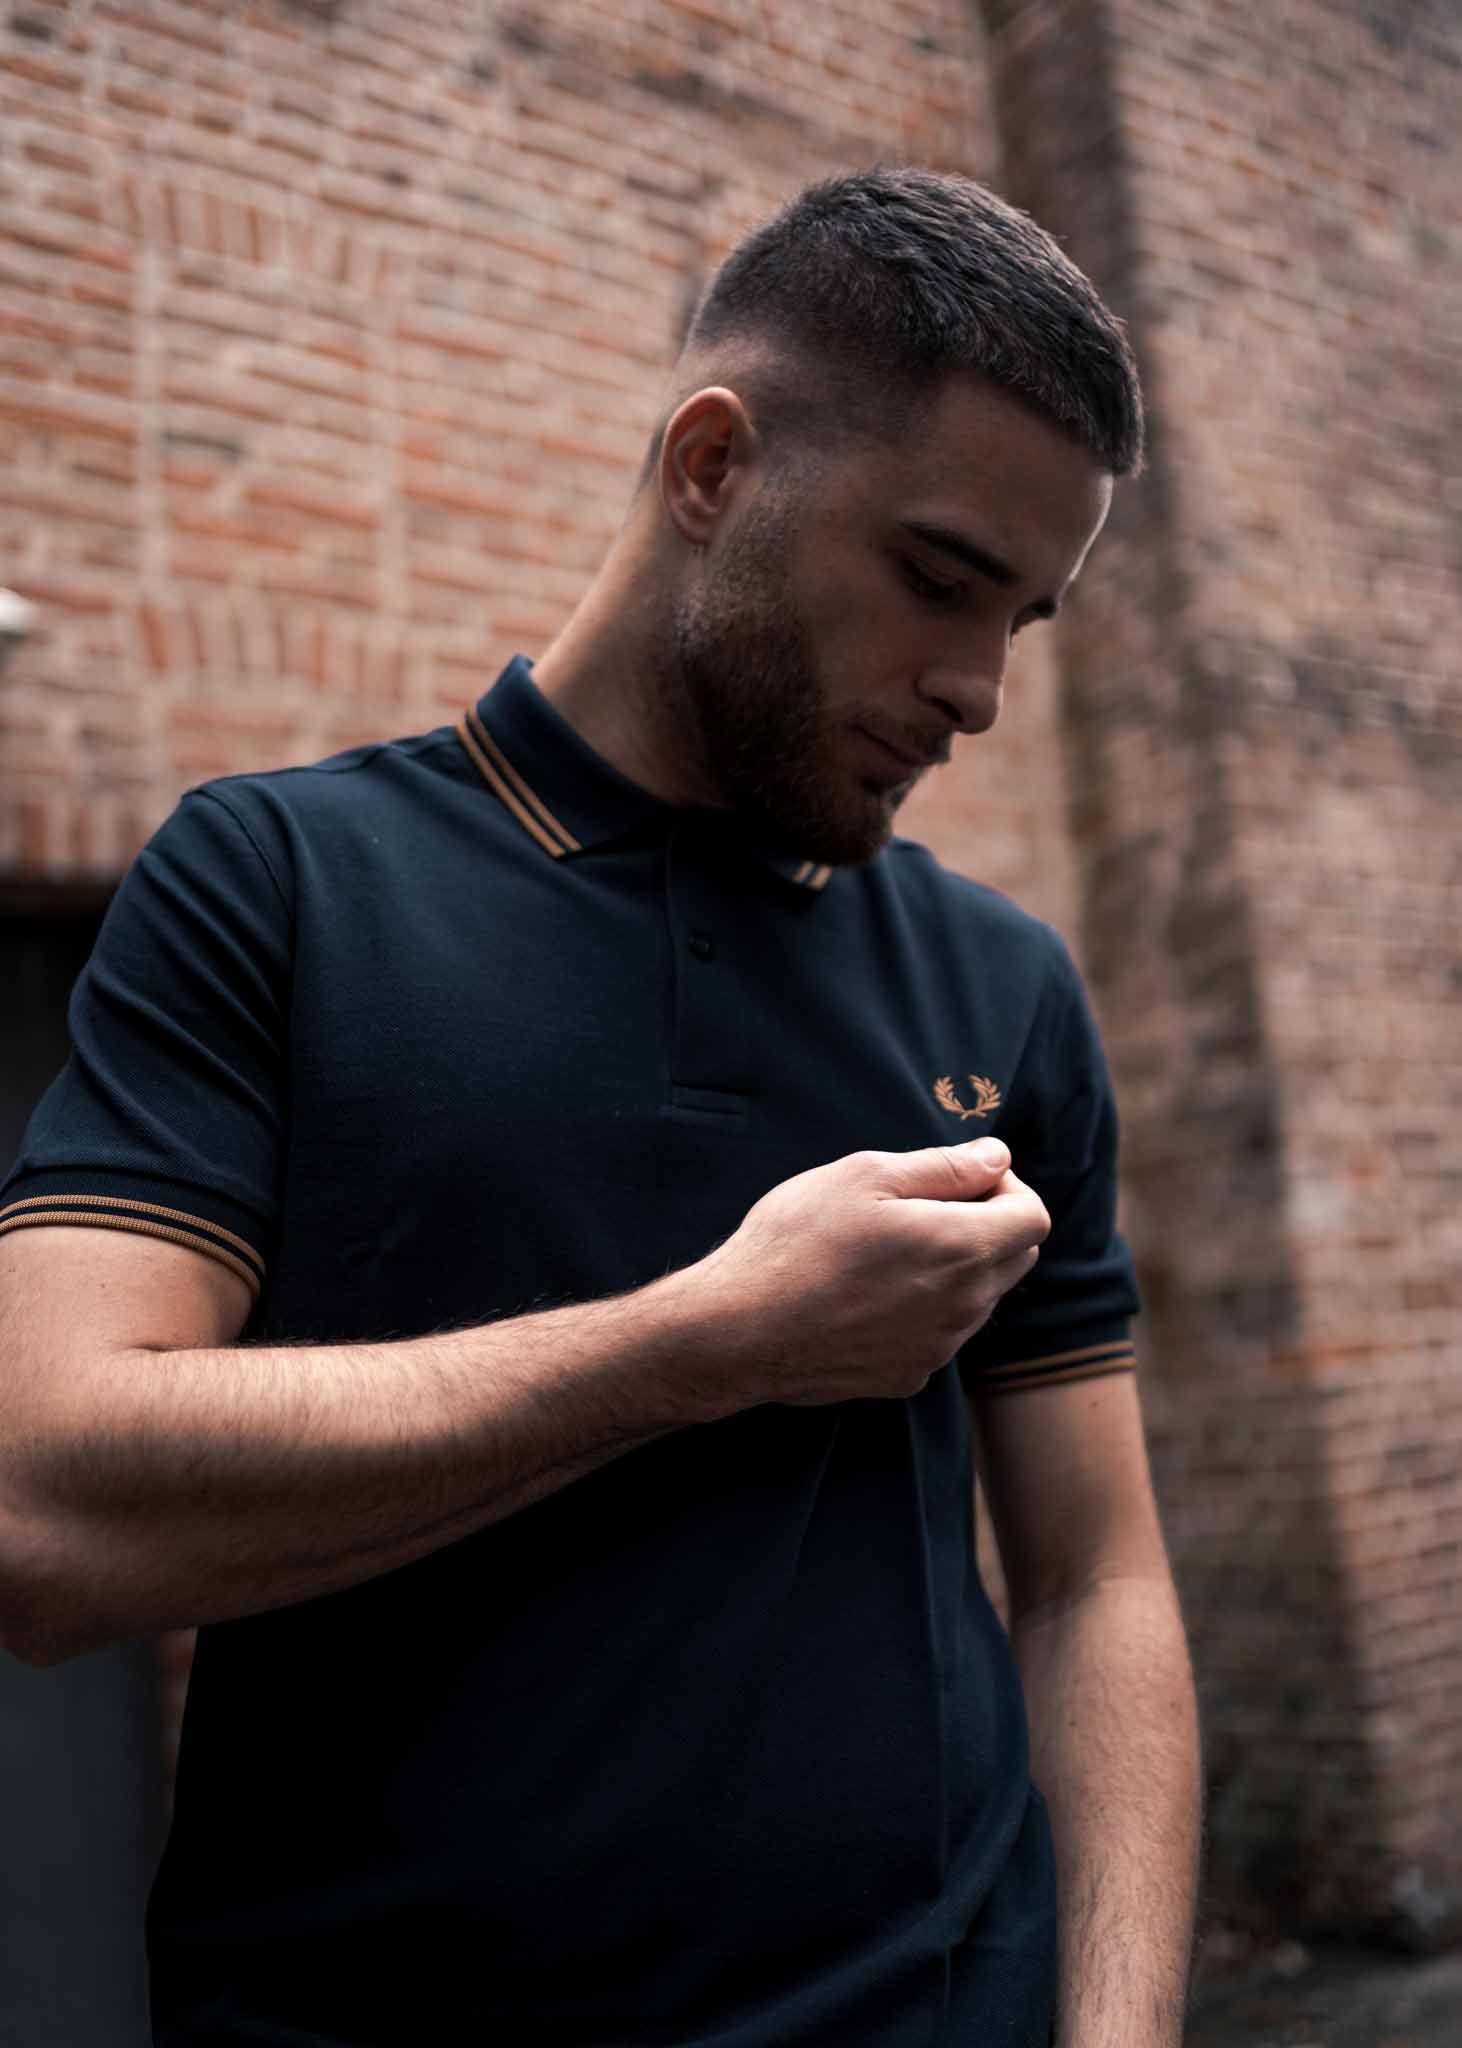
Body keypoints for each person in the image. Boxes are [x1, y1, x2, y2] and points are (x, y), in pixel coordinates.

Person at [0, 168, 1201, 2046]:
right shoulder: (278, 884)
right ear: (711, 466)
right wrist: (708, 1345)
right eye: (937, 578)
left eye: (1024, 619)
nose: (976, 691)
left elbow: (1094, 1579)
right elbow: (39, 1511)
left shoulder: (1002, 983)